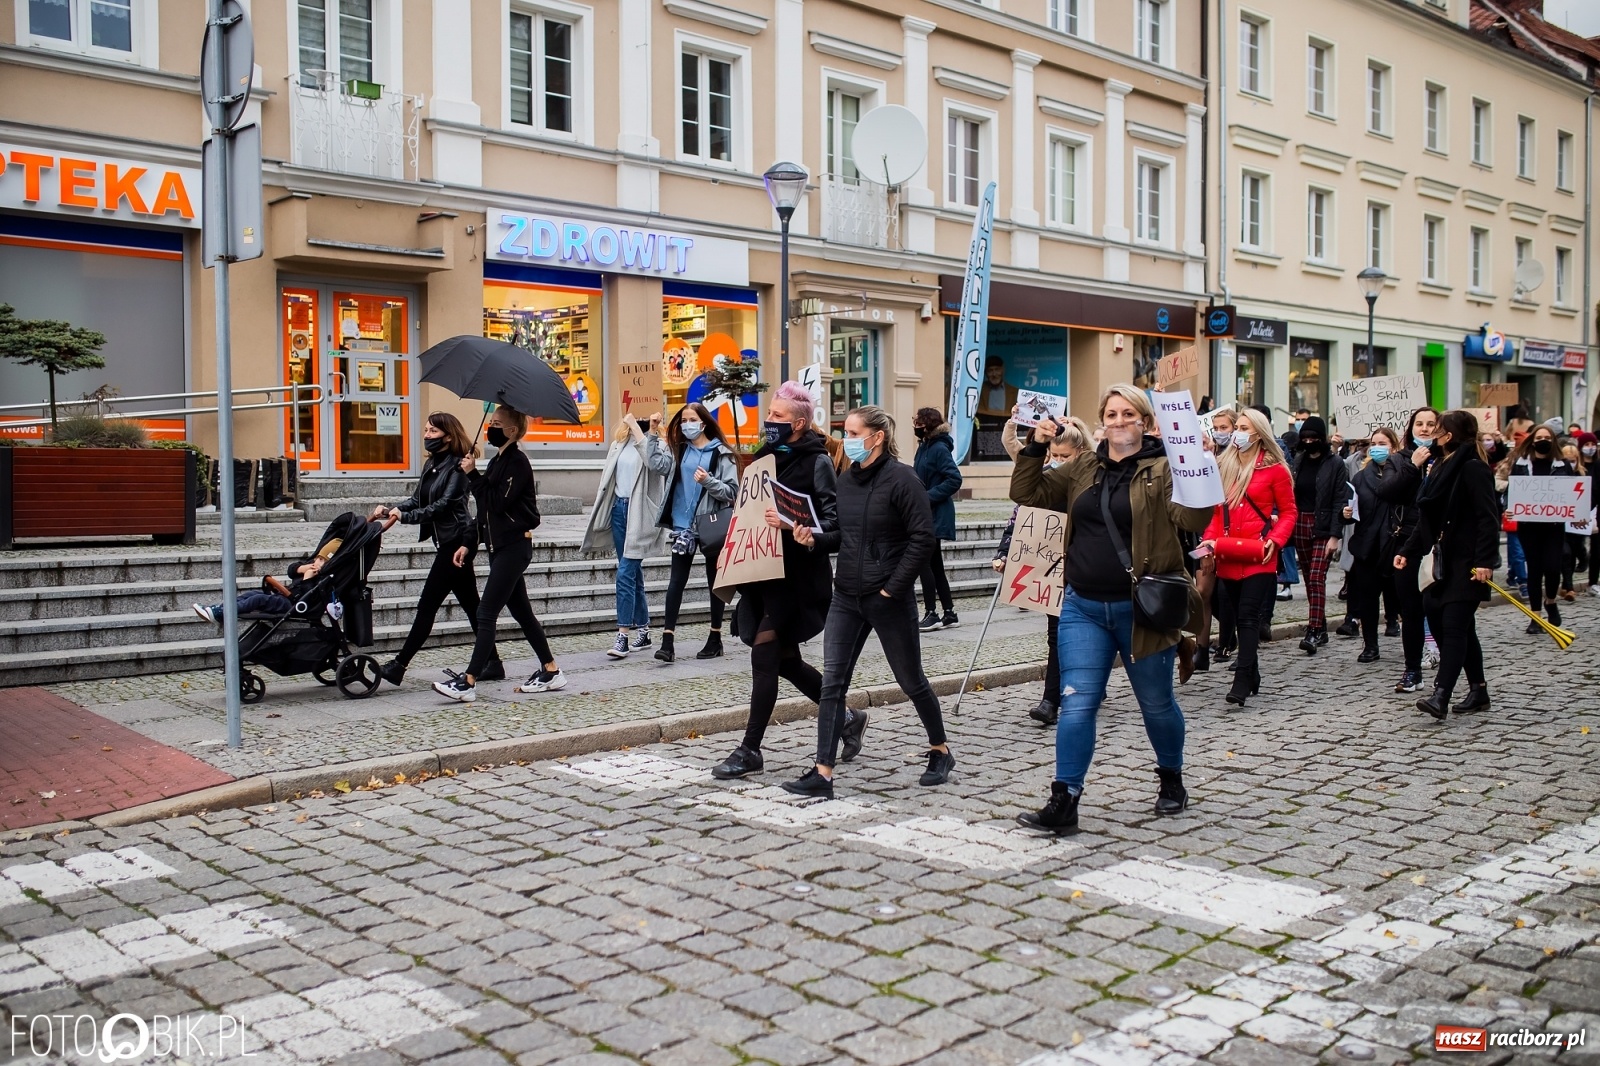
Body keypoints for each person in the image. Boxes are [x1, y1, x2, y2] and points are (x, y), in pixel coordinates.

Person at [1010, 385, 1213, 835]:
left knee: (1156, 705)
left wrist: (1196, 467)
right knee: (1076, 705)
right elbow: (1029, 493)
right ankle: (1064, 800)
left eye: (1128, 414)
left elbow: (1193, 520)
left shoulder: (1164, 468)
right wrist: (1035, 446)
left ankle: (1171, 779)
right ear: (1101, 421)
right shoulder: (1083, 465)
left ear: (1144, 421)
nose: (1119, 421)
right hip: (1082, 607)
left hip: (1142, 610)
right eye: (1112, 414)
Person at [781, 406, 954, 800]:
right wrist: (813, 541)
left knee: (912, 681)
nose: (847, 439)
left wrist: (893, 588)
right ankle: (822, 773)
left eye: (855, 432)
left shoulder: (903, 479)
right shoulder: (846, 481)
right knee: (832, 686)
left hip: (886, 598)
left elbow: (922, 539)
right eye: (845, 432)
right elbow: (843, 534)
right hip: (846, 596)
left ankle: (940, 750)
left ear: (876, 437)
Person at [711, 383, 849, 780]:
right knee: (785, 662)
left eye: (777, 416)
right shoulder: (762, 458)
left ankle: (750, 749)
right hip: (763, 575)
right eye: (769, 413)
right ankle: (849, 717)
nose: (768, 421)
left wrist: (795, 527)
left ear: (800, 423)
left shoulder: (816, 461)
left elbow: (832, 524)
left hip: (798, 579)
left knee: (764, 652)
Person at [434, 405, 566, 702]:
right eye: (490, 422)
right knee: (522, 612)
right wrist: (470, 543)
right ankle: (551, 669)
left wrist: (472, 474)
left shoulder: (517, 463)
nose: (490, 428)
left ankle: (468, 681)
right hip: (499, 548)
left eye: (497, 423)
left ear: (512, 430)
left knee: (485, 612)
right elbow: (483, 515)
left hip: (514, 548)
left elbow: (496, 503)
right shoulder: (498, 461)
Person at [376, 412, 497, 686]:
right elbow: (417, 498)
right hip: (446, 542)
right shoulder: (433, 463)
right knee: (472, 605)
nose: (427, 435)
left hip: (457, 542)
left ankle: (399, 665)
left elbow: (443, 504)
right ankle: (493, 662)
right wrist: (391, 510)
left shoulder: (459, 467)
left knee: (427, 605)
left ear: (448, 436)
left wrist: (405, 517)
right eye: (427, 430)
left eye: (433, 431)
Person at [1394, 410, 1500, 720]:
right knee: (1452, 626)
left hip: (1466, 562)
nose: (1430, 434)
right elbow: (1427, 519)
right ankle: (1478, 690)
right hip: (1439, 560)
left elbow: (1487, 518)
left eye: (1436, 429)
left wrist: (1485, 561)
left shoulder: (1473, 468)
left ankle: (1441, 694)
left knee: (1454, 627)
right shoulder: (1439, 467)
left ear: (1448, 435)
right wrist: (1409, 549)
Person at [992, 415, 1091, 726]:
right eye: (1055, 456)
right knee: (1056, 635)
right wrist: (1006, 552)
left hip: (1089, 565)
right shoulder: (1047, 478)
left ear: (1080, 453)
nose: (1059, 462)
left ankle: (1086, 684)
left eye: (1066, 456)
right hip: (1055, 568)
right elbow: (1020, 515)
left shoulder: (1093, 477)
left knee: (1090, 635)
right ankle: (1051, 699)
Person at [1198, 407, 1296, 707]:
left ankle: (1241, 678)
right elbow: (1216, 512)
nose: (1237, 433)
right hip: (1228, 554)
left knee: (1248, 617)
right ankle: (1252, 674)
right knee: (1236, 615)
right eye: (1236, 426)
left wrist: (1275, 540)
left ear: (1258, 432)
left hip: (1259, 554)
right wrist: (1208, 543)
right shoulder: (1223, 465)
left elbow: (1289, 512)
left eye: (1243, 427)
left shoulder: (1274, 469)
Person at [649, 402, 739, 662]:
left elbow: (731, 492)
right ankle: (667, 642)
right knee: (676, 581)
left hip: (710, 525)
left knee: (714, 582)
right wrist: (653, 433)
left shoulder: (721, 453)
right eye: (683, 419)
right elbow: (657, 464)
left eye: (691, 419)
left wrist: (707, 481)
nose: (687, 424)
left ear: (703, 422)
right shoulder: (681, 450)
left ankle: (715, 638)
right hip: (683, 526)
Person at [581, 407, 670, 659]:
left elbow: (657, 466)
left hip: (642, 513)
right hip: (619, 510)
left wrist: (643, 431)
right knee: (631, 570)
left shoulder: (659, 443)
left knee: (625, 572)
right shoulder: (619, 443)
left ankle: (623, 635)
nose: (640, 418)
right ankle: (643, 630)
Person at [1342, 427, 1416, 667]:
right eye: (1373, 443)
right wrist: (1345, 513)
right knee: (1367, 599)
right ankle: (1370, 644)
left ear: (1394, 447)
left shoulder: (1404, 473)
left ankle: (1414, 646)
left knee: (1404, 598)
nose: (1377, 447)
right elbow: (1350, 505)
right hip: (1368, 545)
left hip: (1396, 544)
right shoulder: (1361, 476)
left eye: (1382, 443)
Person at [1504, 423, 1576, 635]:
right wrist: (1509, 508)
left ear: (1552, 441)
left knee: (1553, 567)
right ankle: (1535, 617)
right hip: (1529, 526)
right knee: (1534, 569)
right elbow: (1511, 491)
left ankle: (1551, 601)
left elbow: (1572, 493)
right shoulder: (1522, 464)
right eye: (1538, 437)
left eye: (1546, 437)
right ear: (1532, 441)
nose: (1542, 441)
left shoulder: (1562, 465)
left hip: (1554, 526)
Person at [194, 539, 339, 623]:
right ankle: (219, 609)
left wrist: (307, 579)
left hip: (293, 604)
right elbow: (291, 570)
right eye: (317, 558)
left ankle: (221, 613)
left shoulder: (321, 580)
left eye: (322, 560)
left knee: (258, 599)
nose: (317, 561)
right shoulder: (310, 568)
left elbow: (308, 597)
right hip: (286, 597)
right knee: (250, 594)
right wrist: (301, 569)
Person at [913, 407, 964, 631]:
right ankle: (949, 612)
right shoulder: (924, 446)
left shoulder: (939, 448)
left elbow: (954, 479)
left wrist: (926, 497)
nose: (914, 424)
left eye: (918, 421)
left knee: (925, 563)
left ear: (927, 424)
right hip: (927, 512)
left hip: (935, 514)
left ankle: (932, 613)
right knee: (935, 565)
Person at [1195, 406, 1238, 670]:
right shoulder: (1205, 456)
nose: (1220, 433)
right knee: (1202, 591)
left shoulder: (1237, 459)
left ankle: (1234, 645)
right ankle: (1201, 648)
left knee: (1232, 593)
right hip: (1205, 534)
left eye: (1226, 428)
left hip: (1233, 534)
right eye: (1217, 428)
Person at [1559, 440, 1588, 601]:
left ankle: (1566, 584)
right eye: (1567, 460)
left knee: (1576, 551)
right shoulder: (1557, 474)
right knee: (1565, 553)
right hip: (1562, 523)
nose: (1570, 463)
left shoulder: (1582, 475)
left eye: (1573, 460)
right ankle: (1569, 587)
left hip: (1577, 523)